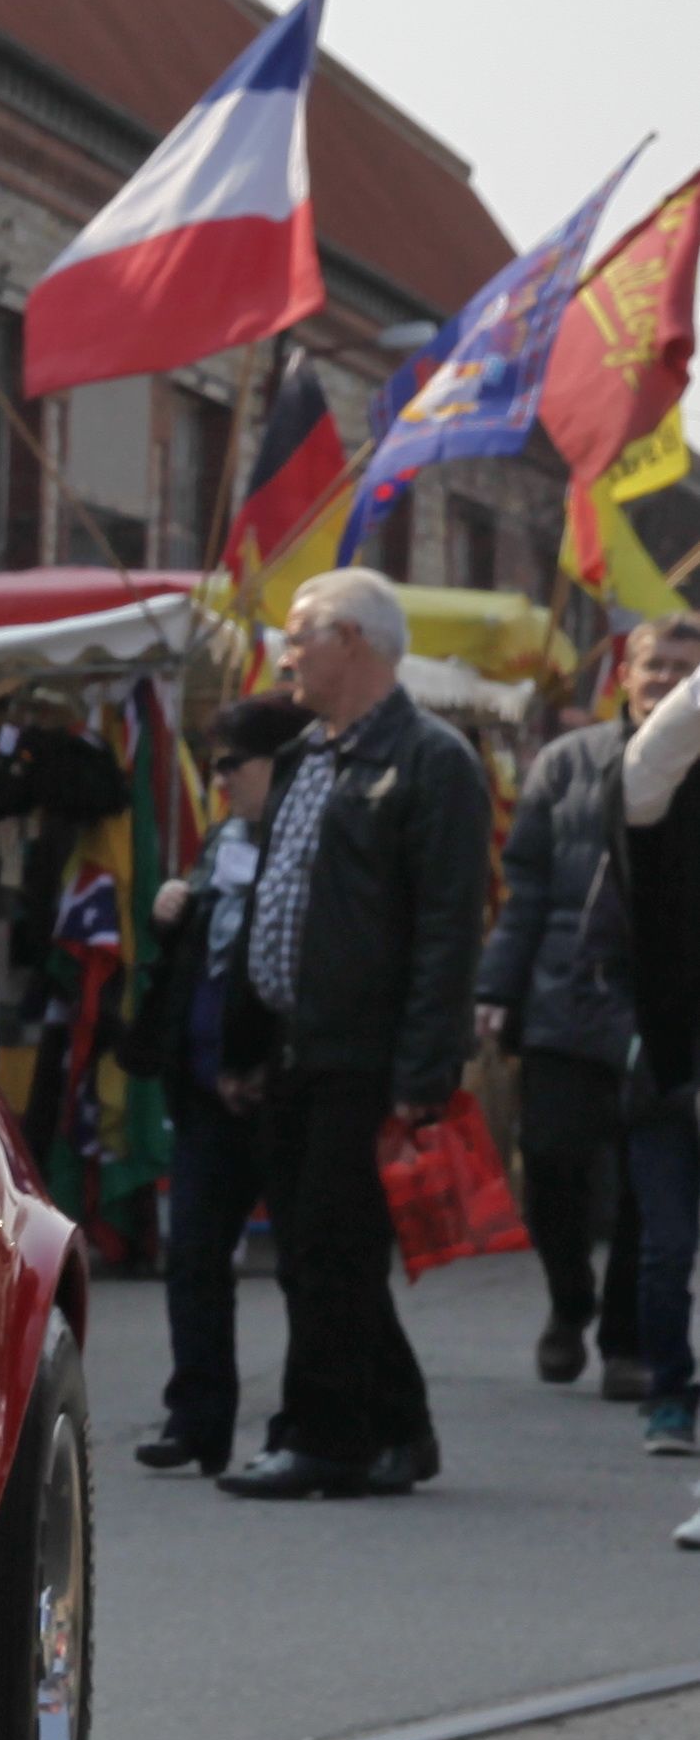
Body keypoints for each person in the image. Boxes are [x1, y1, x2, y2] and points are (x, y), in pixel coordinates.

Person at [220, 569, 494, 1501]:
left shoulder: (432, 760)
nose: (285, 655)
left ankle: (325, 1439)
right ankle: (401, 1430)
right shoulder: (303, 755)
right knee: (308, 1249)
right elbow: (273, 902)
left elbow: (449, 925)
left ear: (353, 642)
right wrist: (245, 1043)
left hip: (364, 1052)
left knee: (333, 1251)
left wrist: (425, 1065)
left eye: (300, 636)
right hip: (292, 1043)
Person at [481, 616, 691, 1394]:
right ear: (626, 676)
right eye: (654, 664)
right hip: (565, 1001)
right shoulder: (567, 764)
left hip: (666, 1008)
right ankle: (570, 1299)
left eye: (683, 667)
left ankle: (627, 1341)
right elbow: (526, 887)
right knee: (557, 1165)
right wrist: (495, 991)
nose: (665, 679)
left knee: (650, 1186)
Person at [114, 693, 312, 1476]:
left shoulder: (309, 844)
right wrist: (175, 913)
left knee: (305, 1265)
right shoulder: (225, 840)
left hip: (279, 1088)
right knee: (194, 1258)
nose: (220, 777)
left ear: (282, 763)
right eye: (215, 761)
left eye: (235, 763)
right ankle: (198, 1418)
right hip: (203, 1092)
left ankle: (305, 1422)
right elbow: (210, 958)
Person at [609, 632, 700, 1489]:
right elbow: (652, 760)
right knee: (668, 1250)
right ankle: (669, 1392)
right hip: (669, 1068)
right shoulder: (654, 795)